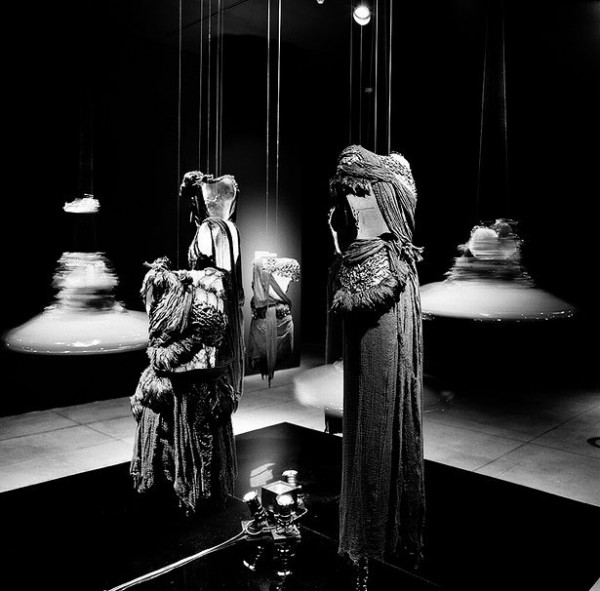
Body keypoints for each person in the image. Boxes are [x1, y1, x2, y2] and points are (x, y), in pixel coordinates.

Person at [328, 145, 425, 588]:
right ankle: (363, 528)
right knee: (358, 408)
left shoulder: (393, 177)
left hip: (385, 288)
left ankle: (377, 533)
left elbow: (395, 226)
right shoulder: (358, 186)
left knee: (381, 406)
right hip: (356, 272)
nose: (352, 200)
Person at [247, 252, 300, 385]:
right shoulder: (263, 271)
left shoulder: (283, 269)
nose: (288, 281)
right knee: (261, 352)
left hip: (277, 319)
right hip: (263, 321)